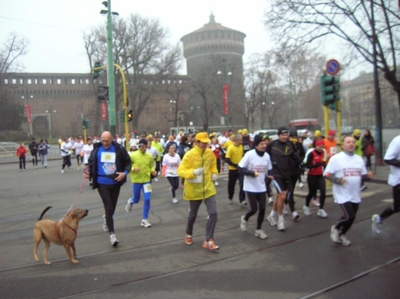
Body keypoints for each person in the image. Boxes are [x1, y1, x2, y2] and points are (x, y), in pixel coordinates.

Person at [324, 135, 373, 246]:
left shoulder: (359, 159)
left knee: (352, 217)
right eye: (348, 142)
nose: (351, 144)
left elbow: (361, 176)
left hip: (355, 193)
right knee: (349, 216)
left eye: (353, 142)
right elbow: (326, 174)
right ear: (343, 145)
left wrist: (368, 176)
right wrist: (337, 180)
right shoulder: (336, 158)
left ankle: (341, 235)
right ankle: (336, 228)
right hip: (342, 193)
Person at [84, 131, 131, 247]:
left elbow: (128, 162)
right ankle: (112, 235)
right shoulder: (96, 149)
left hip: (115, 181)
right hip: (101, 182)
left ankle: (106, 217)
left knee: (112, 209)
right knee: (108, 206)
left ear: (112, 140)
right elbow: (90, 163)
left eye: (107, 141)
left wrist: (124, 173)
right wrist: (87, 171)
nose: (105, 143)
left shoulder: (119, 149)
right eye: (103, 141)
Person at [177, 132, 220, 250]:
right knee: (193, 215)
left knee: (213, 213)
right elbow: (181, 171)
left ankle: (209, 239)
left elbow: (213, 165)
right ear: (196, 142)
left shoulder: (209, 153)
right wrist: (193, 173)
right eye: (203, 143)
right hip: (194, 189)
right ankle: (188, 234)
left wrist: (215, 173)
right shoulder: (189, 155)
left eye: (206, 143)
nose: (205, 145)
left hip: (208, 188)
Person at [239, 135, 273, 239]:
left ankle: (258, 229)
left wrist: (270, 175)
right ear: (256, 145)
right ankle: (245, 218)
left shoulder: (267, 156)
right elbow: (240, 168)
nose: (264, 146)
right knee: (254, 209)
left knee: (262, 208)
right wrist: (251, 173)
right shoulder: (249, 154)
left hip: (261, 186)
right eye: (261, 144)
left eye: (265, 144)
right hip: (250, 187)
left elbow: (270, 168)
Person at [266, 126, 299, 231]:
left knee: (280, 197)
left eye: (286, 135)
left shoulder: (290, 144)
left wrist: (298, 160)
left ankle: (271, 215)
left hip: (288, 174)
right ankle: (281, 220)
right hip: (276, 174)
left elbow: (294, 156)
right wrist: (268, 171)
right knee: (283, 196)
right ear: (278, 135)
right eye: (283, 135)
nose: (285, 137)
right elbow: (265, 157)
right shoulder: (272, 145)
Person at [371, 134, 400, 234]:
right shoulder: (397, 141)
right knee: (397, 208)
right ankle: (379, 218)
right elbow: (387, 159)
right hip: (398, 180)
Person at [125, 138, 157, 227]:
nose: (144, 148)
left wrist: (153, 171)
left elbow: (151, 166)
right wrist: (133, 169)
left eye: (146, 146)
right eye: (143, 146)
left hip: (147, 181)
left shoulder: (149, 156)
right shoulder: (132, 155)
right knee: (136, 199)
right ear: (139, 146)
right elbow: (127, 166)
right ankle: (131, 201)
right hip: (136, 180)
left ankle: (144, 219)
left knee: (147, 199)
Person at [303, 139, 328, 218]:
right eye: (319, 146)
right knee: (312, 192)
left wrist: (324, 165)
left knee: (323, 191)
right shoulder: (311, 154)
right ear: (316, 146)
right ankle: (306, 206)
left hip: (320, 175)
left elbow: (323, 163)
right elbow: (307, 165)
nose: (321, 148)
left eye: (322, 146)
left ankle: (321, 209)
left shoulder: (323, 153)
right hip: (312, 176)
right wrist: (316, 165)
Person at [225, 134, 245, 205]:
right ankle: (230, 197)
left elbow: (242, 156)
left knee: (242, 184)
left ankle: (242, 199)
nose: (242, 141)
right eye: (240, 140)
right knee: (231, 185)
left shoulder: (241, 147)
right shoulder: (230, 148)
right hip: (232, 169)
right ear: (236, 140)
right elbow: (227, 159)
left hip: (240, 169)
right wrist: (235, 165)